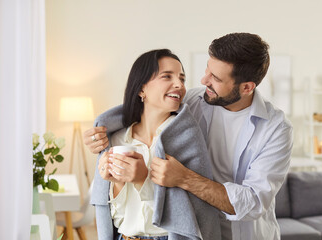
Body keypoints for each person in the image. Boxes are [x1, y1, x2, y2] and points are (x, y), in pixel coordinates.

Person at [84, 33, 293, 240]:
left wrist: (184, 178)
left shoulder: (276, 128)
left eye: (216, 78)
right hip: (196, 231)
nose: (203, 81)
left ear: (247, 87)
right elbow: (144, 107)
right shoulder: (192, 102)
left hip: (246, 235)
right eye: (207, 70)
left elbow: (254, 202)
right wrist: (102, 132)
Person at [89, 49, 221, 240]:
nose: (179, 84)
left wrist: (144, 180)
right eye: (167, 76)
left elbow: (195, 213)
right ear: (142, 89)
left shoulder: (188, 139)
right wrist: (116, 182)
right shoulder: (115, 140)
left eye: (182, 79)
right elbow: (116, 216)